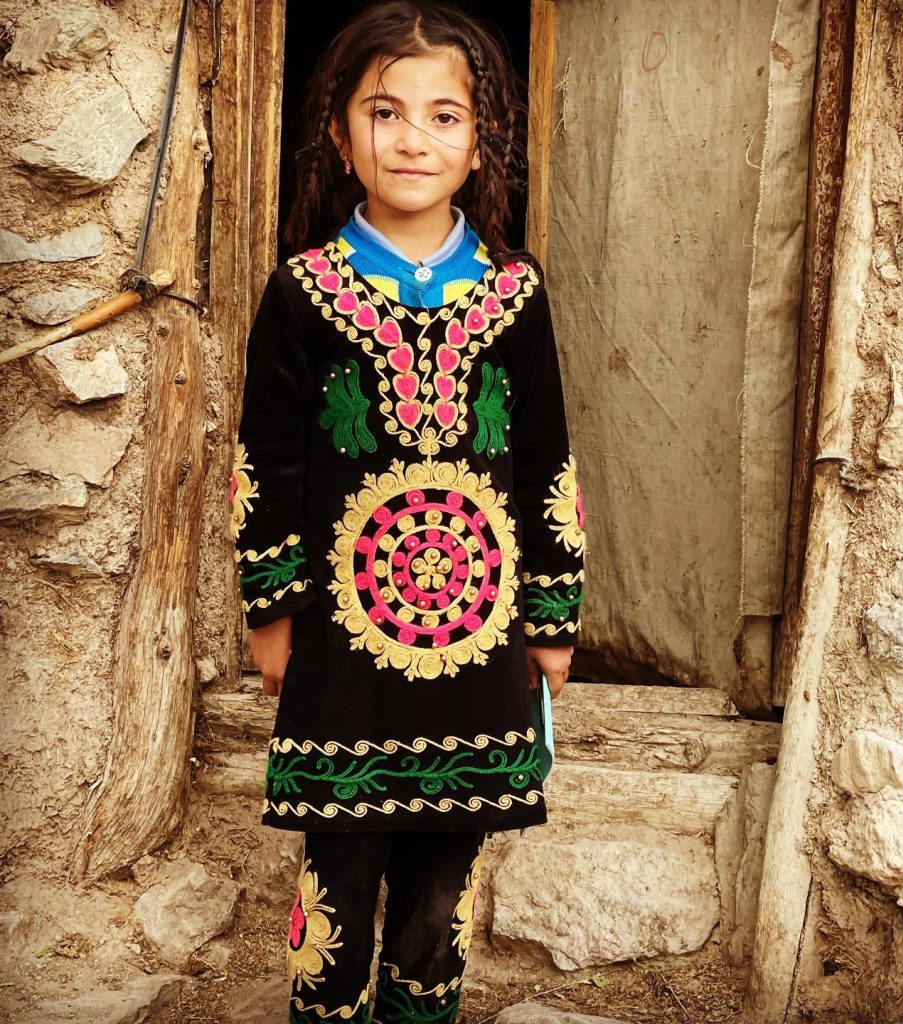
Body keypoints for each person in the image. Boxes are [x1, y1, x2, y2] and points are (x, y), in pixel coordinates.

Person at [230, 3, 586, 1021]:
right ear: (339, 139)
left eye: (443, 116)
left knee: (444, 886)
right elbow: (270, 464)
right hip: (342, 647)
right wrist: (270, 612)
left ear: (482, 145)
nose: (412, 139)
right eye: (384, 113)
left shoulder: (516, 295)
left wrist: (551, 623)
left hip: (478, 646)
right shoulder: (301, 293)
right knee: (336, 876)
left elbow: (548, 462)